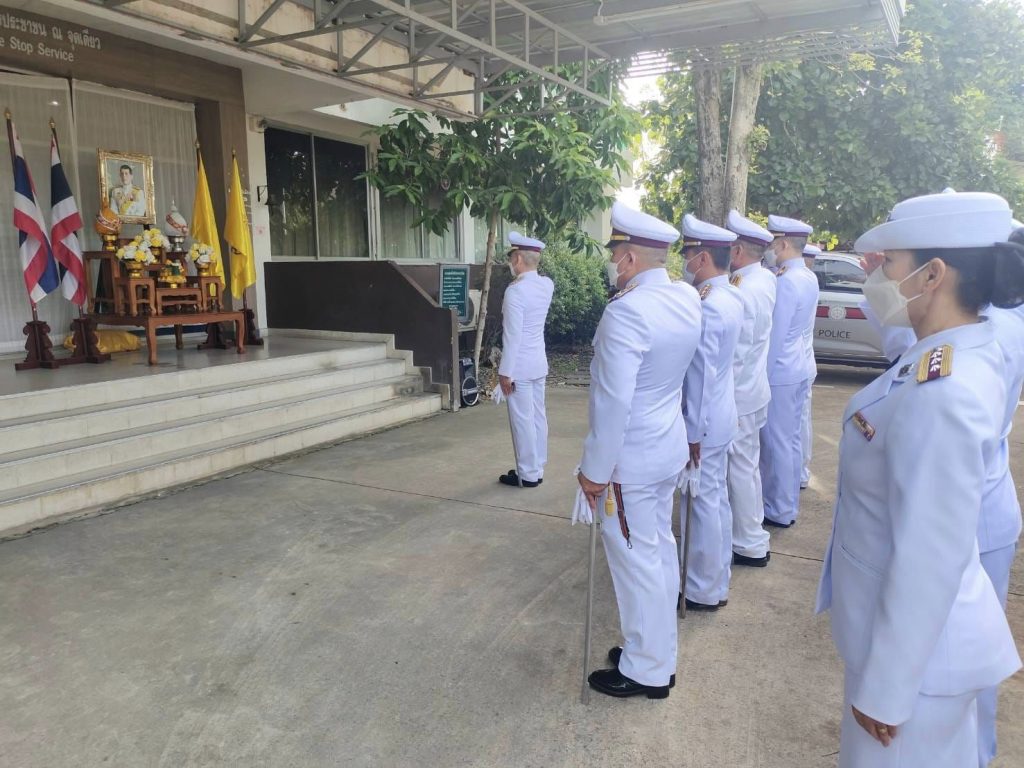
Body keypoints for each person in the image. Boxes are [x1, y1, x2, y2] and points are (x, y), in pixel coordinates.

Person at [816, 190, 1023, 766]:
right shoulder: (948, 351)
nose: (877, 277)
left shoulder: (945, 392)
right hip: (914, 653)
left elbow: (931, 553)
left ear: (932, 274)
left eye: (889, 262)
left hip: (918, 671)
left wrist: (887, 687)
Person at [579, 202, 700, 699]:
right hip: (666, 449)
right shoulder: (685, 297)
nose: (612, 264)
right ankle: (653, 651)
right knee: (658, 554)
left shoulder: (626, 312)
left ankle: (647, 668)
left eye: (615, 254)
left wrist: (593, 471)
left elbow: (613, 404)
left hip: (630, 461)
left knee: (637, 563)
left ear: (628, 259)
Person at [678, 214, 744, 610]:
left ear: (702, 258)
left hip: (705, 421)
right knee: (716, 500)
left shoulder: (709, 306)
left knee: (701, 504)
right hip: (721, 415)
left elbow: (700, 377)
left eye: (687, 253)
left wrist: (692, 433)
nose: (683, 261)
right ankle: (716, 582)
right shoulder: (730, 296)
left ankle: (701, 588)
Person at [724, 210, 776, 568]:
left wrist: (721, 400)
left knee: (739, 470)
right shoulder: (765, 278)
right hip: (755, 390)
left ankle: (747, 542)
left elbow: (736, 356)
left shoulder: (743, 290)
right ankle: (752, 534)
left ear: (738, 251)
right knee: (748, 467)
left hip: (740, 395)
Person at [759, 215, 818, 527]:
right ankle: (787, 503)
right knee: (791, 441)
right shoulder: (807, 276)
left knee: (777, 444)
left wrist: (762, 379)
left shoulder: (785, 282)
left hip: (781, 371)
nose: (769, 251)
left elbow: (775, 337)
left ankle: (779, 508)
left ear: (782, 244)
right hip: (800, 366)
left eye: (772, 244)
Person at [497, 232, 554, 488]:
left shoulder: (516, 292)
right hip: (538, 362)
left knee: (523, 420)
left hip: (519, 365)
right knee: (538, 416)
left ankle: (527, 473)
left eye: (512, 257)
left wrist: (504, 373)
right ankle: (537, 467)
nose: (510, 262)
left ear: (518, 258)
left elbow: (512, 337)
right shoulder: (546, 285)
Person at [799, 244, 822, 489]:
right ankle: (802, 471)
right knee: (802, 421)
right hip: (805, 360)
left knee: (796, 425)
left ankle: (801, 471)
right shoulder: (810, 280)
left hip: (796, 362)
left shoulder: (798, 281)